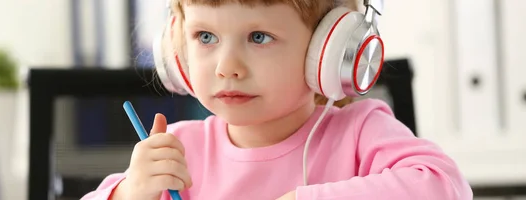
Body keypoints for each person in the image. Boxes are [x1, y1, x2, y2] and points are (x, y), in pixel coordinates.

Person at [81, 0, 473, 199]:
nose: (226, 67)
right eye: (205, 37)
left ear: (327, 50)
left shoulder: (361, 131)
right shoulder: (176, 150)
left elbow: (444, 186)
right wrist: (130, 192)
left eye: (258, 37)